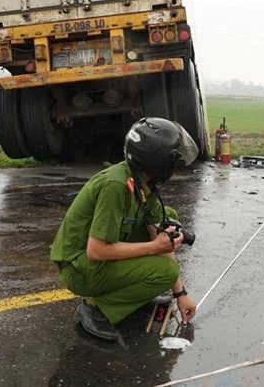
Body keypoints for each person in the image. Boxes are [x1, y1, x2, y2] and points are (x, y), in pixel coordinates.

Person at [50, 117, 199, 341]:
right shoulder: (116, 185)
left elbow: (161, 239)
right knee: (165, 272)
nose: (175, 165)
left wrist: (181, 294)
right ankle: (95, 308)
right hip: (79, 268)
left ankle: (133, 297)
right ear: (156, 159)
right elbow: (96, 251)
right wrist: (153, 248)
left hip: (95, 263)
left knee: (170, 218)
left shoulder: (143, 183)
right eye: (173, 159)